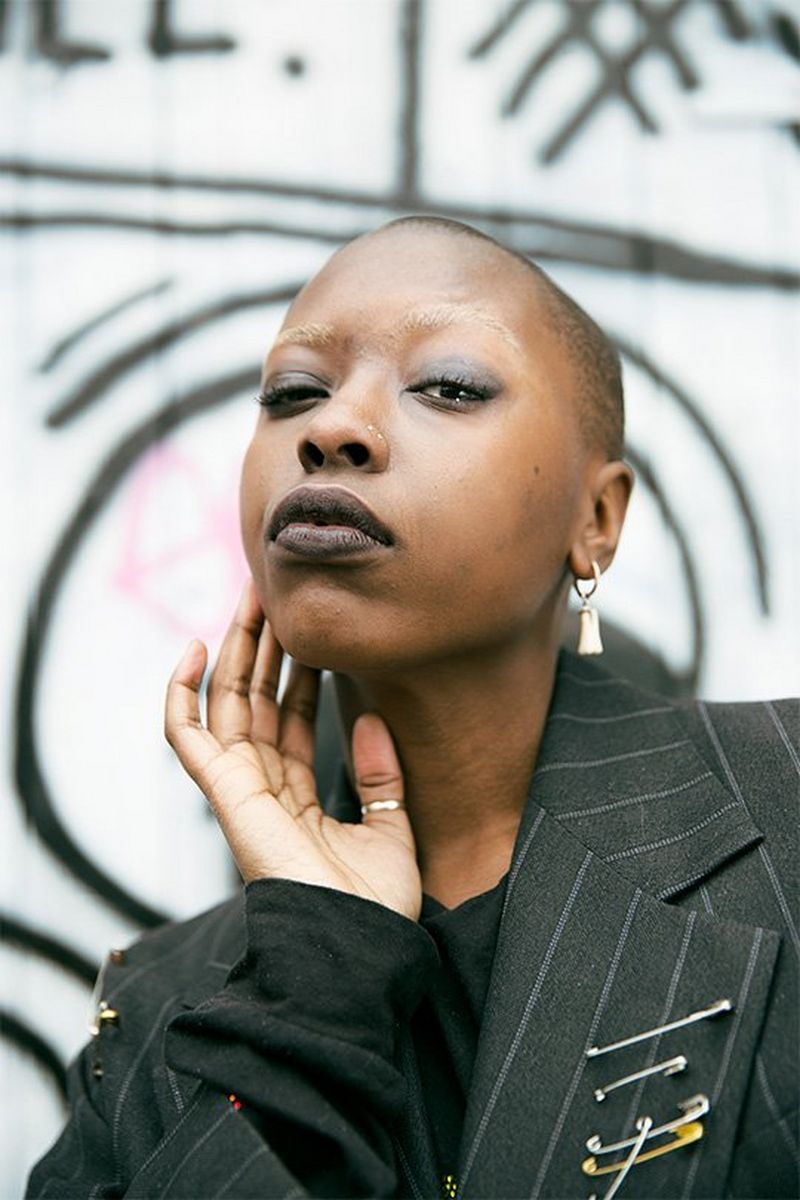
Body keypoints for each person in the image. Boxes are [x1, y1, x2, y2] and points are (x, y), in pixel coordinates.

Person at [27, 217, 798, 1199]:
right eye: (290, 393)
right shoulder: (158, 1009)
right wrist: (315, 974)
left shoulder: (784, 813)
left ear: (594, 520)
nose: (328, 428)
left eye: (447, 386)